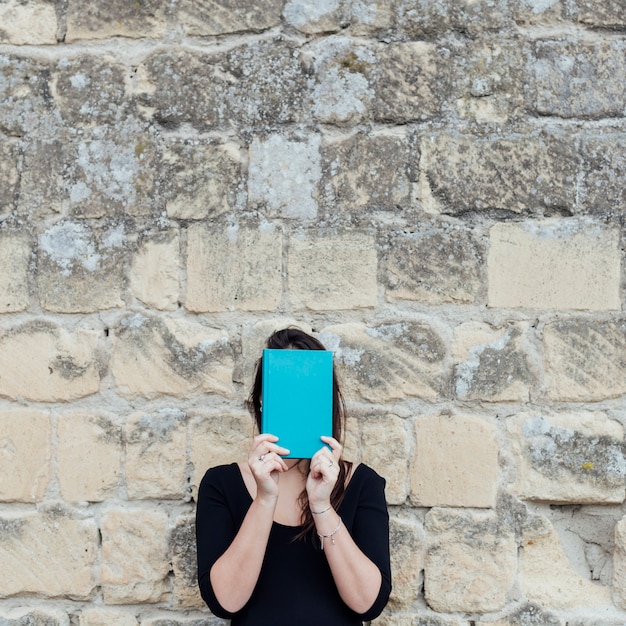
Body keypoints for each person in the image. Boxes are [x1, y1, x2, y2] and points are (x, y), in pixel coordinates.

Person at [196, 327, 392, 625]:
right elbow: (226, 602)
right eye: (284, 389)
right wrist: (264, 500)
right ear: (262, 399)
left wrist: (322, 505)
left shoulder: (363, 483)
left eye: (308, 390)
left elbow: (368, 604)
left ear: (326, 401)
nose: (296, 401)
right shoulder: (221, 484)